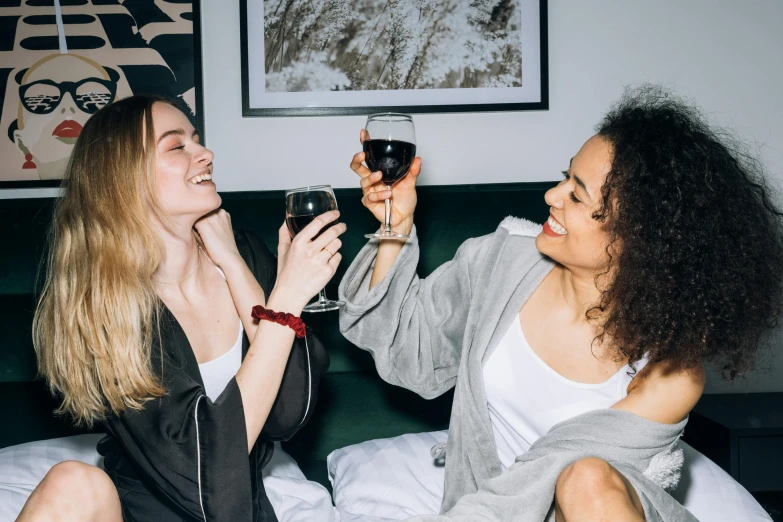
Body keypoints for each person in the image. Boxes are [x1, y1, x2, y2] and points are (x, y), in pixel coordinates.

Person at [339, 86, 783, 521]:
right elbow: (403, 350)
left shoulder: (669, 372)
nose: (552, 196)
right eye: (565, 176)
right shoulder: (500, 260)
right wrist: (394, 226)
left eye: (576, 194)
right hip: (486, 506)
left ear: (638, 240)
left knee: (585, 477)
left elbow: (546, 473)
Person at [17, 94, 344, 522]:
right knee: (73, 482)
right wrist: (286, 297)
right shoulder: (104, 307)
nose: (205, 153)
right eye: (177, 146)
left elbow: (287, 412)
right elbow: (203, 469)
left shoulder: (243, 251)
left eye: (196, 140)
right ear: (124, 179)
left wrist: (233, 264)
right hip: (143, 512)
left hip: (242, 513)